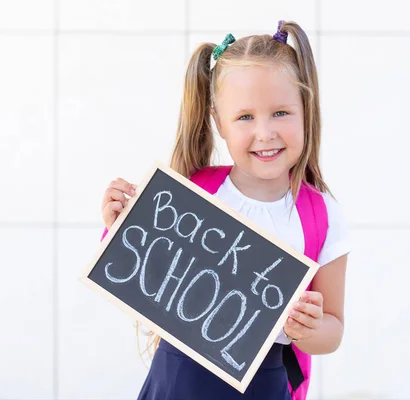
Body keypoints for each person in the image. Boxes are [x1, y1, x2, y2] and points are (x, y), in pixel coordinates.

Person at [100, 20, 351, 400]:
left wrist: (311, 329)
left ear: (306, 109)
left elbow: (333, 329)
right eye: (245, 117)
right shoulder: (193, 192)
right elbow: (139, 273)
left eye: (281, 112)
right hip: (178, 381)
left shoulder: (320, 214)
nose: (265, 133)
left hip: (263, 384)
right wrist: (117, 224)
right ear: (219, 122)